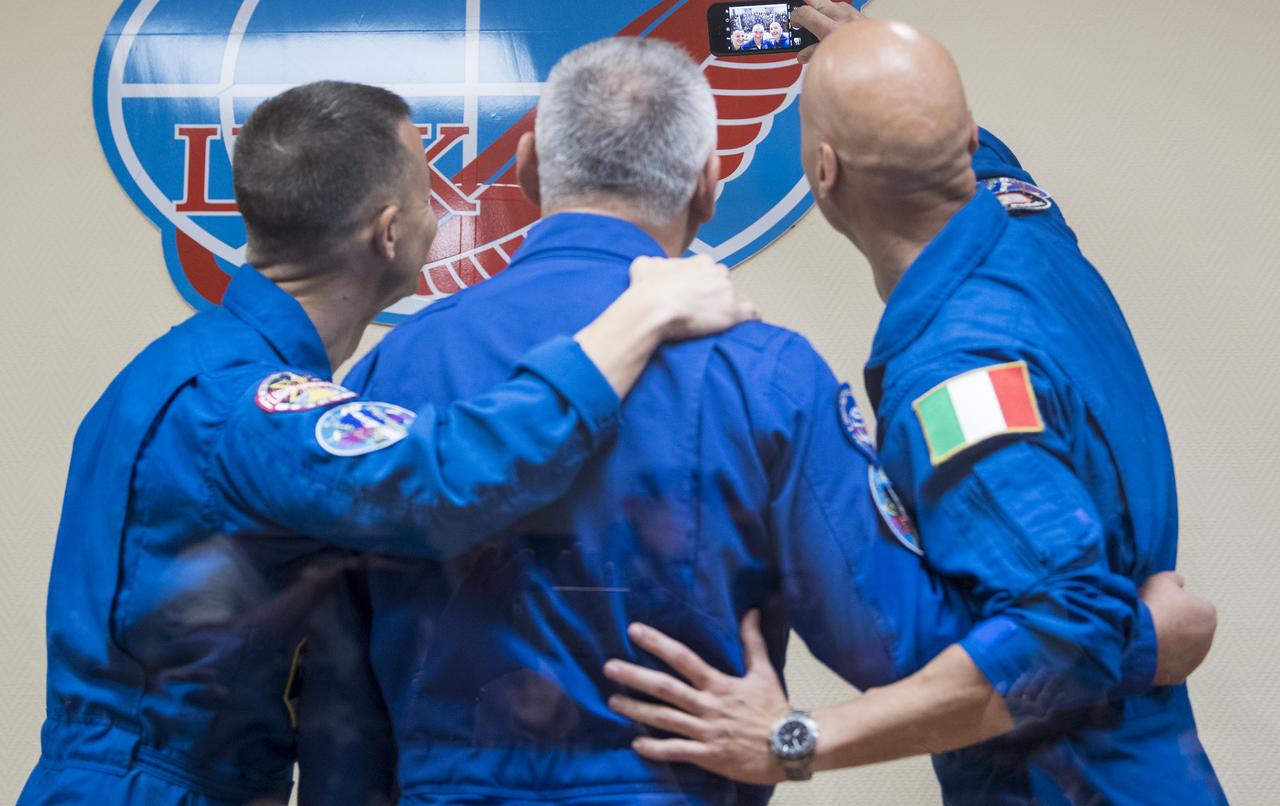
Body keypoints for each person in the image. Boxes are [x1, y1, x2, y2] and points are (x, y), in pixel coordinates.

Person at [294, 39, 1212, 805]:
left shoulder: (384, 375)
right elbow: (901, 650)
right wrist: (1126, 638)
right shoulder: (768, 379)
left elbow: (335, 678)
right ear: (709, 183)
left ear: (528, 165)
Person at [19, 80, 757, 806]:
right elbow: (446, 478)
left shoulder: (178, 367)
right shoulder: (246, 404)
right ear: (390, 233)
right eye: (430, 195)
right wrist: (641, 314)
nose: (439, 215)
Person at [603, 0, 1227, 805]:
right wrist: (878, 57)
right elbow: (992, 171)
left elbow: (1061, 630)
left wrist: (791, 741)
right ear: (965, 141)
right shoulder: (1027, 230)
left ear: (823, 171)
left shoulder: (958, 377)